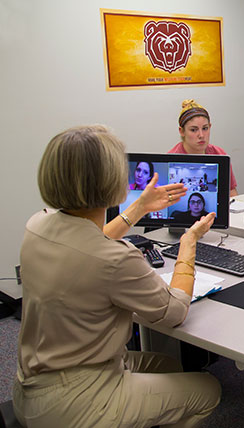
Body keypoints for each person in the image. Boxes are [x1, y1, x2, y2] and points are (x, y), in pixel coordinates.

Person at [14, 125, 221, 427]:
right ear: (113, 182)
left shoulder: (37, 225)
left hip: (33, 383)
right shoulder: (115, 258)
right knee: (207, 389)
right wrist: (189, 242)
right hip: (74, 403)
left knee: (168, 365)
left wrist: (139, 207)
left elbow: (92, 243)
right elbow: (175, 311)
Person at [169, 99, 239, 196]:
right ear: (182, 131)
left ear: (210, 127)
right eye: (193, 130)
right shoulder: (172, 159)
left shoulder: (219, 154)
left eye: (205, 128)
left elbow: (231, 192)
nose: (201, 135)